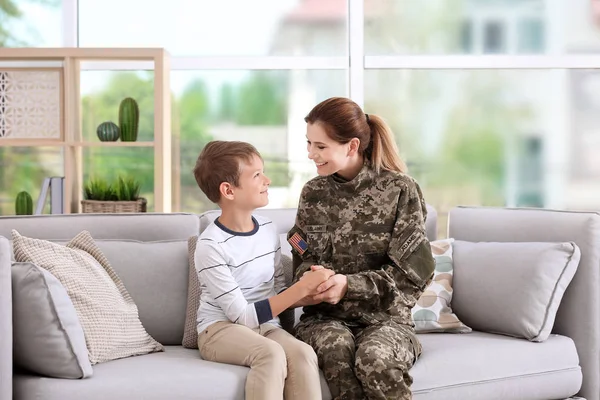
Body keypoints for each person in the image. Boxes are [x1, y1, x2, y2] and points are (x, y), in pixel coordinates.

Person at [287, 97, 435, 400]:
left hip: (387, 319)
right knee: (336, 350)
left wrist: (347, 285)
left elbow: (411, 278)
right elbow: (301, 250)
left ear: (352, 146)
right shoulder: (313, 192)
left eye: (320, 146)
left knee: (375, 360)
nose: (310, 154)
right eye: (309, 143)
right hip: (324, 319)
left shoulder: (401, 190)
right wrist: (312, 277)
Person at [193, 140, 328, 400]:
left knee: (303, 354)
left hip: (265, 326)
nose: (267, 180)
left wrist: (309, 293)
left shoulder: (268, 229)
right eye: (256, 175)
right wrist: (300, 288)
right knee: (271, 353)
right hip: (220, 329)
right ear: (228, 190)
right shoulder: (210, 245)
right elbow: (241, 316)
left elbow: (277, 291)